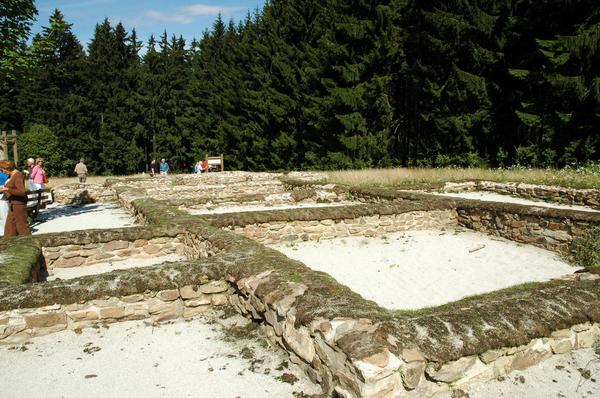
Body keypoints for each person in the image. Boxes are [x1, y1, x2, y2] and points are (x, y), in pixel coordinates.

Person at [0, 161, 31, 236]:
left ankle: (29, 244)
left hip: (19, 205)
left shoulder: (18, 175)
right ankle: (9, 245)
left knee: (22, 227)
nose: (2, 172)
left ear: (7, 168)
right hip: (13, 204)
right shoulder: (11, 175)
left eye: (2, 170)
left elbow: (21, 192)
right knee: (9, 228)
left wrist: (7, 189)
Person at [0, 163, 10, 236]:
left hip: (3, 196)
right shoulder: (4, 175)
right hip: (4, 196)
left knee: (4, 215)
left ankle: (5, 231)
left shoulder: (3, 175)